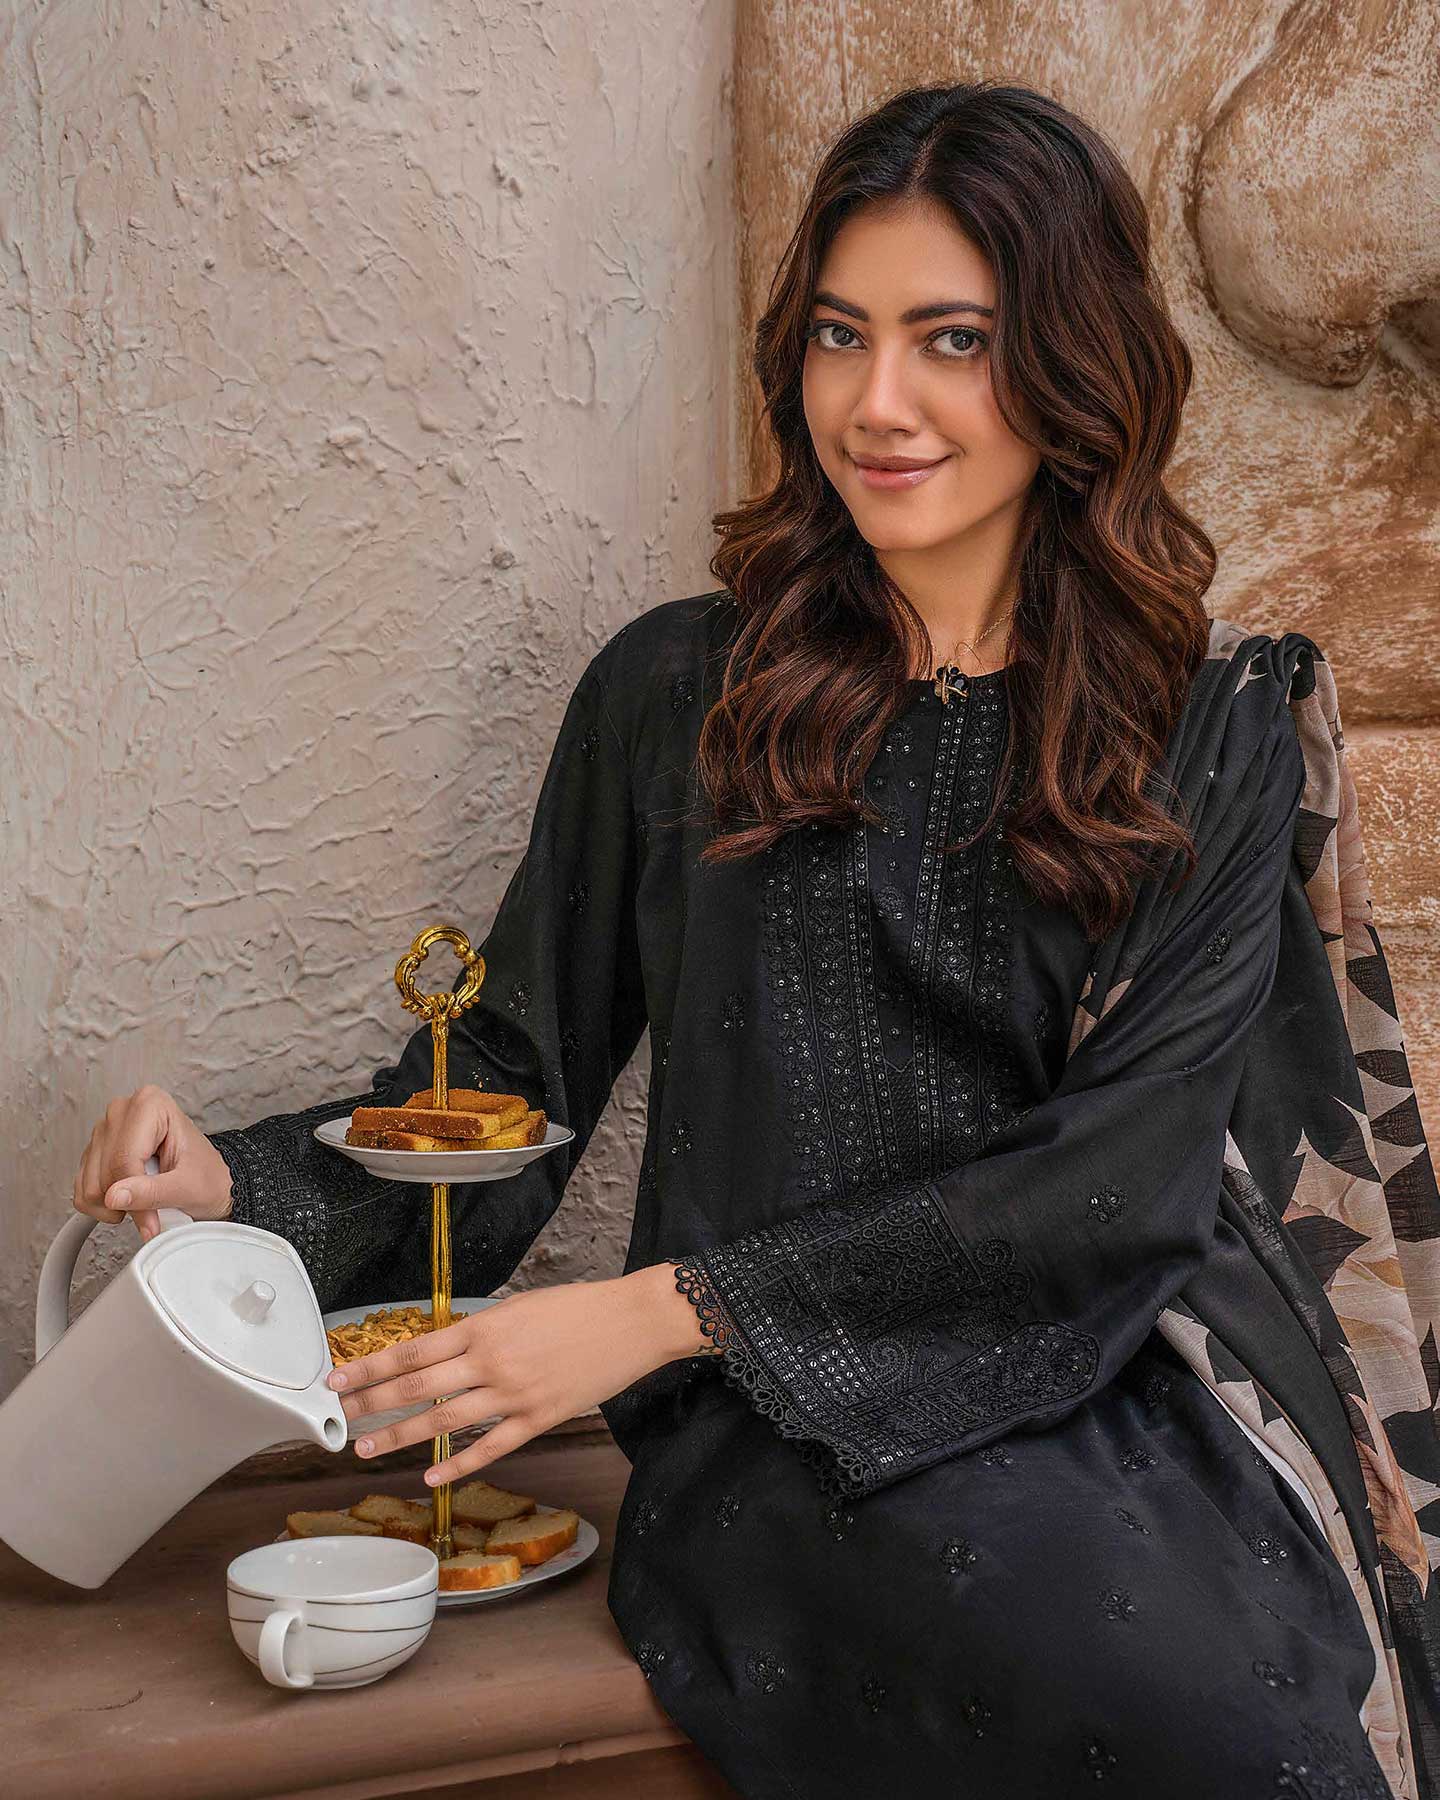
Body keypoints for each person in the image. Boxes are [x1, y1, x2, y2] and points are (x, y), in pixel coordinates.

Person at [72, 81, 1439, 1799]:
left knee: (1265, 1723)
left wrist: (652, 1306)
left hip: (1139, 1374)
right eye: (839, 336)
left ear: (1076, 367)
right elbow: (511, 1081)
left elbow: (1119, 1187)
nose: (878, 403)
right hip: (786, 1422)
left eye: (954, 340)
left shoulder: (1201, 725)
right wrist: (239, 1187)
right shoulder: (678, 696)